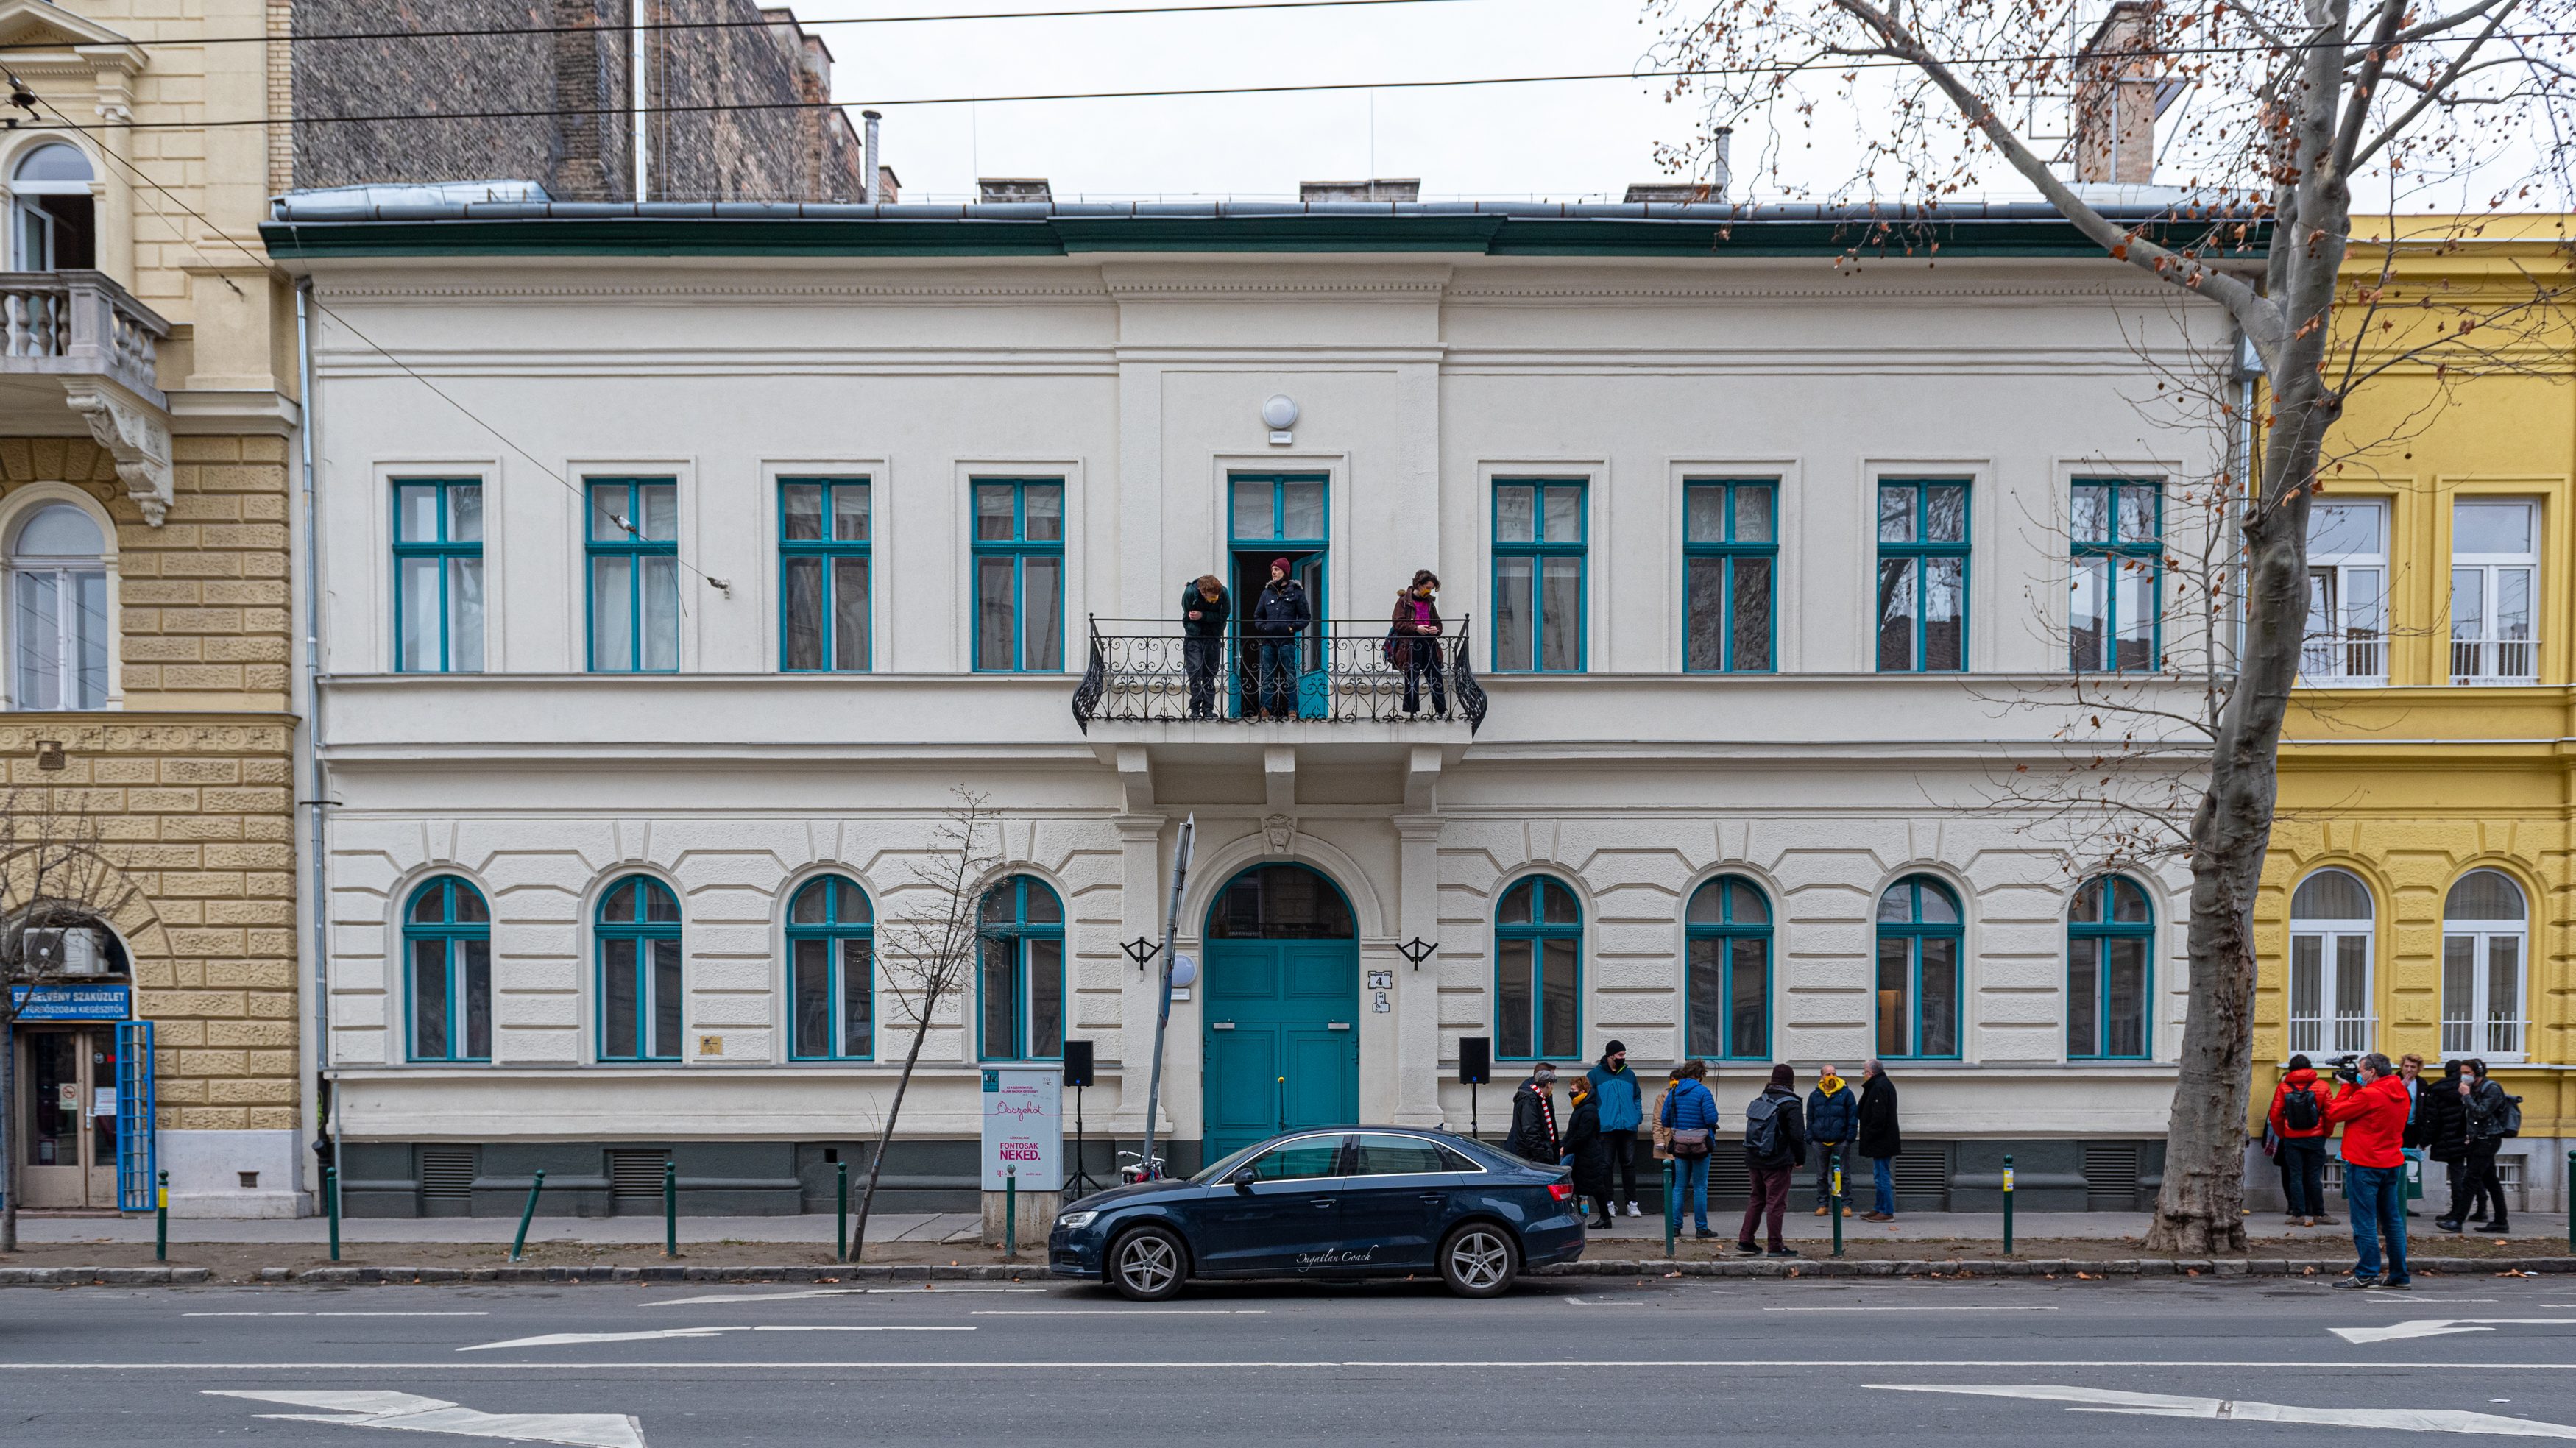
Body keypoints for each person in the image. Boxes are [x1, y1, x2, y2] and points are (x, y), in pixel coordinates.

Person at [2322, 1051, 2413, 1289]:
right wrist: (2355, 1086)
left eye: (2361, 1071)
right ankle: (2399, 1275)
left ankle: (2367, 1272)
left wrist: (2346, 1088)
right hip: (2391, 1162)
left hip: (2365, 1163)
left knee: (2365, 1222)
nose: (2359, 1074)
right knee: (2393, 1222)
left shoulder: (2370, 1095)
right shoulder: (2399, 1090)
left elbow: (2333, 1112)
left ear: (2372, 1071)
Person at [1736, 1063, 1809, 1257]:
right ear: (1790, 1082)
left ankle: (1746, 1240)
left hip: (1754, 1159)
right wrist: (1800, 1158)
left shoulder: (1761, 1099)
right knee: (1776, 1203)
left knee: (1756, 1199)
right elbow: (1797, 1136)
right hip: (1777, 1161)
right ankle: (1776, 1246)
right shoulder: (1791, 1103)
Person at [2265, 1054, 2332, 1227]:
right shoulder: (2322, 1086)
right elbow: (2331, 1113)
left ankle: (2298, 1214)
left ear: (2291, 1069)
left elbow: (2275, 1114)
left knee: (2295, 1176)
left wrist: (2284, 1134)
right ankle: (2319, 1214)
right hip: (2316, 1138)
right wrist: (2326, 1133)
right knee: (2314, 1176)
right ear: (2310, 1067)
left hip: (2292, 1138)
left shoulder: (2283, 1088)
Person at [1658, 1059, 1720, 1239]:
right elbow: (1711, 1119)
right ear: (1700, 1075)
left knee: (1679, 1186)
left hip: (1680, 1145)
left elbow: (1665, 1121)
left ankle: (1675, 1228)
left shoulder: (1674, 1092)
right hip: (1701, 1145)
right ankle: (1701, 1228)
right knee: (1700, 1187)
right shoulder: (1703, 1092)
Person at [1247, 558, 1312, 719]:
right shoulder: (1266, 593)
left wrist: (1291, 628)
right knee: (1268, 675)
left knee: (1290, 675)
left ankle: (1292, 710)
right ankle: (1265, 709)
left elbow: (1305, 617)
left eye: (1277, 570)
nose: (1274, 573)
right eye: (1273, 570)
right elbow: (1258, 615)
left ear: (1285, 572)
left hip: (1287, 641)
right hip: (1269, 641)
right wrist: (1263, 627)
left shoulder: (1297, 592)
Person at [1586, 1040, 1644, 1218]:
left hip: (1628, 1126)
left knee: (1629, 1165)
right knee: (1606, 1166)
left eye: (1624, 1055)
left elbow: (1637, 1096)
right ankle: (1609, 1203)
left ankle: (1631, 1204)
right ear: (1611, 1055)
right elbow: (1588, 1100)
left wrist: (1637, 1116)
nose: (1623, 1058)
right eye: (1620, 1055)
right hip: (1606, 1128)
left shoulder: (1629, 1074)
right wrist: (1597, 1121)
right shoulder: (1595, 1075)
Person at [1387, 570, 1446, 717]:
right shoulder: (1404, 602)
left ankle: (1441, 711)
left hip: (1429, 643)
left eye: (1431, 589)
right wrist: (1416, 628)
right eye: (1427, 588)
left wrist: (1435, 630)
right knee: (1412, 677)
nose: (1429, 591)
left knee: (1435, 675)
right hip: (1411, 643)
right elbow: (1397, 623)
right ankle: (1412, 711)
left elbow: (1438, 624)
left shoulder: (1429, 603)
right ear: (1419, 585)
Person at [2421, 1059, 2471, 1231]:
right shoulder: (2467, 1088)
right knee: (2474, 1173)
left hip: (2448, 1138)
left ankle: (2457, 1212)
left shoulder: (2437, 1090)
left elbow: (2433, 1119)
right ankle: (2479, 1209)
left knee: (2458, 1174)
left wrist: (2425, 1140)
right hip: (2468, 1136)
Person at [2461, 1059, 2510, 1232]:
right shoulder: (2474, 1089)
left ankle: (2456, 1220)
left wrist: (2466, 1095)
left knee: (2470, 1179)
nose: (2464, 1076)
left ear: (2478, 1073)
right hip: (2479, 1139)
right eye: (2463, 1073)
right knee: (2491, 1181)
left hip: (2489, 1139)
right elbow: (2470, 1116)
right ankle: (2501, 1222)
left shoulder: (2492, 1088)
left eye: (2467, 1073)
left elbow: (2481, 1112)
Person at [1806, 1063, 1858, 1216]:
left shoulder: (1846, 1094)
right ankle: (1823, 1204)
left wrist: (1849, 1138)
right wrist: (1810, 1137)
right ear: (1822, 1077)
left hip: (1841, 1141)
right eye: (1828, 1074)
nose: (1831, 1077)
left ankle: (1846, 1205)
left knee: (1843, 1175)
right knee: (1821, 1175)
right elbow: (1809, 1118)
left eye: (1834, 1073)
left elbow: (1853, 1118)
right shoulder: (1815, 1096)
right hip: (1819, 1142)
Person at [1561, 1078, 1613, 1229]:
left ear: (1583, 1091)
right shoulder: (1581, 1106)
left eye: (1574, 1090)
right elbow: (1573, 1132)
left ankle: (1604, 1218)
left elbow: (1582, 1134)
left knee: (1595, 1187)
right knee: (1583, 1186)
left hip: (1588, 1154)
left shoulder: (1588, 1109)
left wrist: (1566, 1147)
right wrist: (1564, 1144)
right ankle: (1599, 1217)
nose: (1571, 1093)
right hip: (1583, 1153)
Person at [1855, 1060, 1901, 1221]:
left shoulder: (1880, 1086)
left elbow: (1879, 1116)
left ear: (1871, 1073)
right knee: (1879, 1174)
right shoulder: (1880, 1084)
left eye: (1864, 1072)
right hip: (1882, 1138)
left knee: (1882, 1176)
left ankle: (1887, 1211)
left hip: (1881, 1139)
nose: (1864, 1075)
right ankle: (1879, 1208)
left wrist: (1870, 1133)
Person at [1178, 574, 1230, 720]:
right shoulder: (1190, 593)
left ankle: (1208, 710)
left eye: (1216, 597)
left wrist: (1203, 616)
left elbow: (1224, 615)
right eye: (1212, 597)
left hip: (1213, 637)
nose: (1215, 600)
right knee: (1195, 673)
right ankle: (1194, 709)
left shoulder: (1223, 593)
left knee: (1210, 674)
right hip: (1194, 638)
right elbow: (1187, 617)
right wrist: (1196, 629)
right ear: (1202, 592)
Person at [1508, 1062, 1561, 1165]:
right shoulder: (1531, 1099)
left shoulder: (1538, 1097)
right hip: (1532, 1157)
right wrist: (1544, 1156)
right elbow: (1531, 1131)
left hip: (1533, 1155)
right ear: (1548, 1084)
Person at [2398, 1052, 2429, 1218]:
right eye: (2406, 1066)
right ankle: (2393, 1202)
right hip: (2397, 1129)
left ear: (2418, 1070)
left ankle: (2404, 1203)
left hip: (2413, 1129)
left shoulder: (2422, 1084)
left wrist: (2424, 1136)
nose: (2409, 1069)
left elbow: (2424, 1109)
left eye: (2413, 1067)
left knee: (2408, 1167)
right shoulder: (2394, 1081)